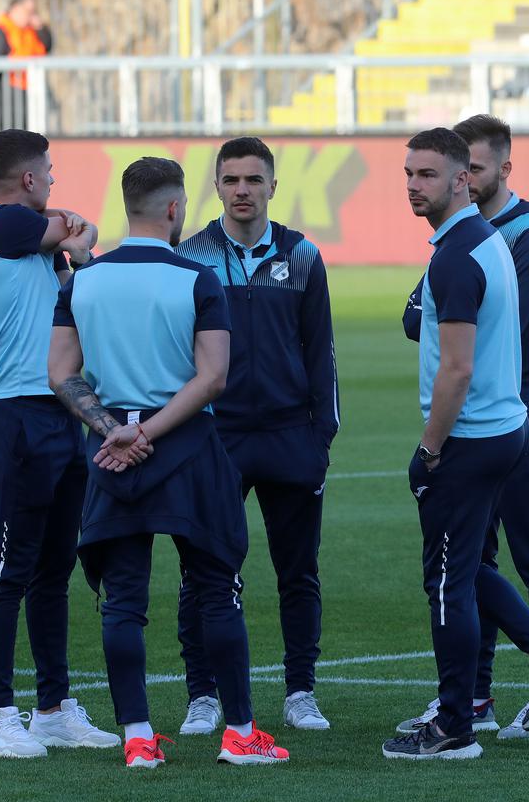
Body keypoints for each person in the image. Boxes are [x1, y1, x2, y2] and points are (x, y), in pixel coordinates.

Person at [48, 156, 289, 769]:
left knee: (123, 599)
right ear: (177, 208)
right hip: (184, 445)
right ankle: (239, 733)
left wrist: (115, 430)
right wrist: (146, 431)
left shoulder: (83, 281)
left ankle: (137, 739)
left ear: (127, 207)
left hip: (112, 450)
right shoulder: (195, 279)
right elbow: (213, 379)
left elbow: (61, 373)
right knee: (217, 592)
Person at [383, 128, 529, 761]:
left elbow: (456, 369)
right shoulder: (484, 240)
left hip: (472, 438)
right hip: (507, 428)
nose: (414, 186)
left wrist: (428, 450)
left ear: (461, 180)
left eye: (428, 175)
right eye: (408, 174)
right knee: (470, 566)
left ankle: (454, 727)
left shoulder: (457, 255)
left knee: (449, 582)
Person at [0, 129, 118, 759]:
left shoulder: (25, 237)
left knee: (54, 570)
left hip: (58, 412)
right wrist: (71, 235)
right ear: (26, 180)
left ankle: (53, 708)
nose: (54, 180)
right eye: (48, 172)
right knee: (10, 569)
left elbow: (82, 237)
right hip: (17, 414)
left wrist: (73, 239)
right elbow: (78, 231)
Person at [173, 137, 339, 734]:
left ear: (273, 185)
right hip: (216, 438)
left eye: (253, 180)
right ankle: (203, 694)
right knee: (207, 572)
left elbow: (321, 351)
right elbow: (175, 354)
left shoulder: (302, 257)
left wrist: (323, 435)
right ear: (216, 187)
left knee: (299, 571)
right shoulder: (190, 258)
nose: (242, 190)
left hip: (291, 436)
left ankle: (300, 691)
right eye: (231, 180)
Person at [0, 0, 53, 129]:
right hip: (8, 100)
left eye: (33, 12)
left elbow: (47, 45)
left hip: (30, 94)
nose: (31, 16)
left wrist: (41, 27)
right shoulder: (0, 32)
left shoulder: (31, 30)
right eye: (28, 11)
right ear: (15, 9)